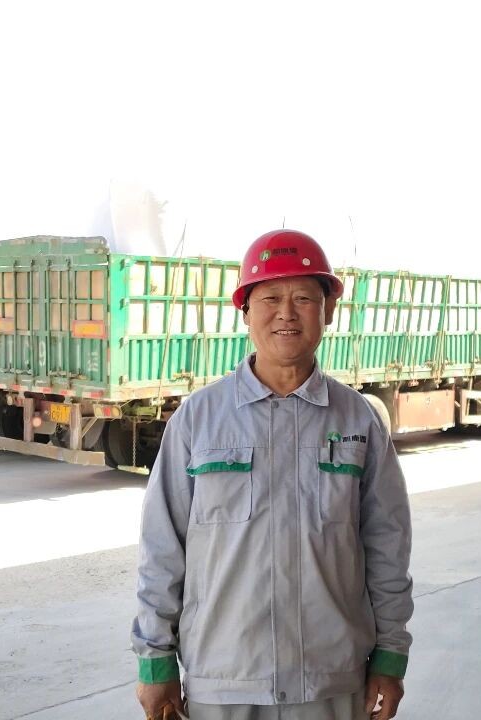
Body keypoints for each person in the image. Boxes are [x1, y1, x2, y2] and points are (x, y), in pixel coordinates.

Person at [132, 229, 414, 720]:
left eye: (304, 298)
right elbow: (162, 548)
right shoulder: (198, 420)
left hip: (331, 678)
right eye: (270, 299)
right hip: (225, 679)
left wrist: (390, 655)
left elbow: (388, 547)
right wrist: (155, 661)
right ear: (245, 311)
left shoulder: (358, 420)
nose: (287, 312)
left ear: (328, 310)